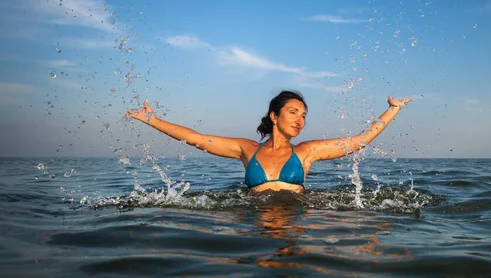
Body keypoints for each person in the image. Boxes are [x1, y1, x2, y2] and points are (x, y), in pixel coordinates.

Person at [127, 90, 412, 193]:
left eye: (303, 115)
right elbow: (196, 138)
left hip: (297, 221)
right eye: (293, 112)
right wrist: (153, 121)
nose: (300, 120)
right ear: (274, 116)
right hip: (254, 225)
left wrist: (393, 109)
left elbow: (359, 141)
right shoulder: (246, 149)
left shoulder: (306, 152)